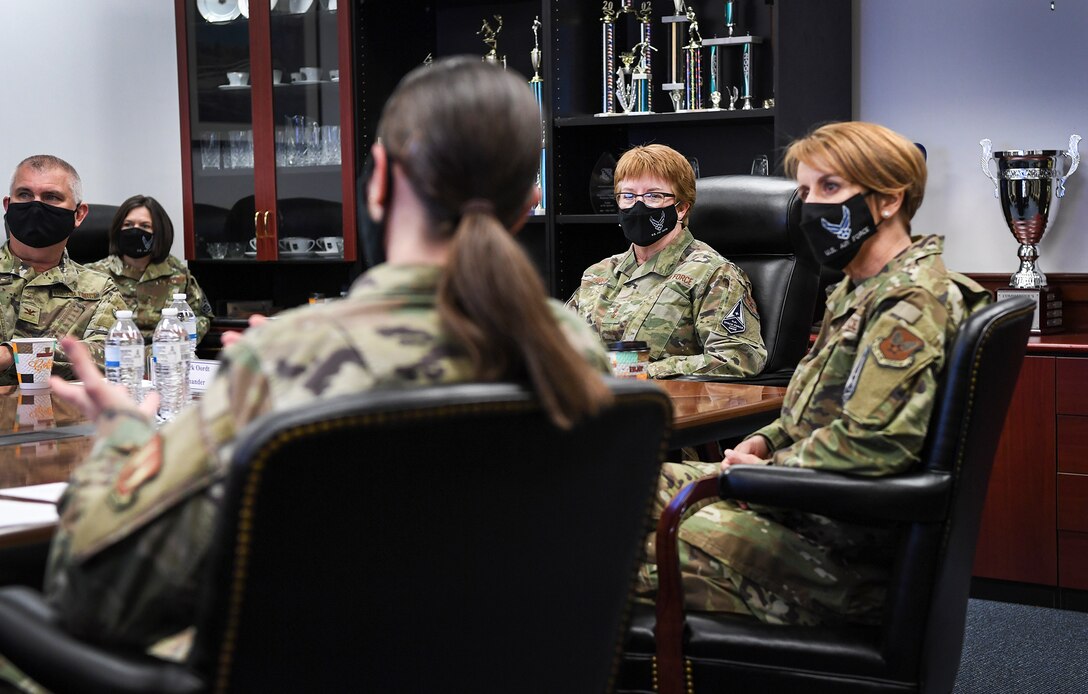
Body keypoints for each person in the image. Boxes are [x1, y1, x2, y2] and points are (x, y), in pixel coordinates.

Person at [35, 56, 613, 664]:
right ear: (532, 200)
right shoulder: (573, 348)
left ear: (380, 179)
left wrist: (124, 431)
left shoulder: (290, 354)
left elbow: (98, 595)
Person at [638, 122, 991, 625]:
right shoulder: (860, 288)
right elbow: (820, 407)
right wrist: (765, 440)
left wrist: (769, 473)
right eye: (805, 191)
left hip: (830, 553)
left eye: (830, 188)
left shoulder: (909, 305)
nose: (810, 207)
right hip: (800, 508)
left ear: (888, 199)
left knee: (596, 553)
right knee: (623, 481)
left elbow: (872, 445)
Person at [566, 144, 766, 379]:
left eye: (653, 196)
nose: (638, 206)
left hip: (668, 405)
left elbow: (739, 357)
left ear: (681, 208)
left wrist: (642, 369)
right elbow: (558, 346)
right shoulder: (598, 273)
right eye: (628, 196)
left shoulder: (712, 273)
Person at [0, 155, 129, 383]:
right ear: (8, 206)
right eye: (25, 194)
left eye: (51, 197)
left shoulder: (99, 290)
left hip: (65, 416)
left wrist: (14, 355)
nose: (35, 205)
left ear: (79, 214)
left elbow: (111, 357)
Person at [86, 195, 214, 344]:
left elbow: (201, 316)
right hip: (115, 357)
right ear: (117, 229)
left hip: (165, 355)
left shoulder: (177, 273)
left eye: (145, 226)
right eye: (128, 224)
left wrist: (179, 340)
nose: (135, 231)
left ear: (159, 233)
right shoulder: (94, 275)